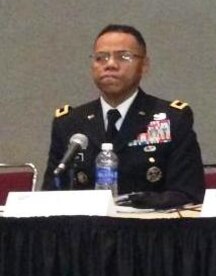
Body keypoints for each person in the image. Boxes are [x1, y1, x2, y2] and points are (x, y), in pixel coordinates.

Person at [44, 24, 205, 208]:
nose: (110, 64)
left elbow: (188, 193)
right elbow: (51, 193)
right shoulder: (70, 123)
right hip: (84, 232)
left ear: (144, 66)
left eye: (123, 57)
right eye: (100, 58)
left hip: (151, 231)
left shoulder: (172, 119)